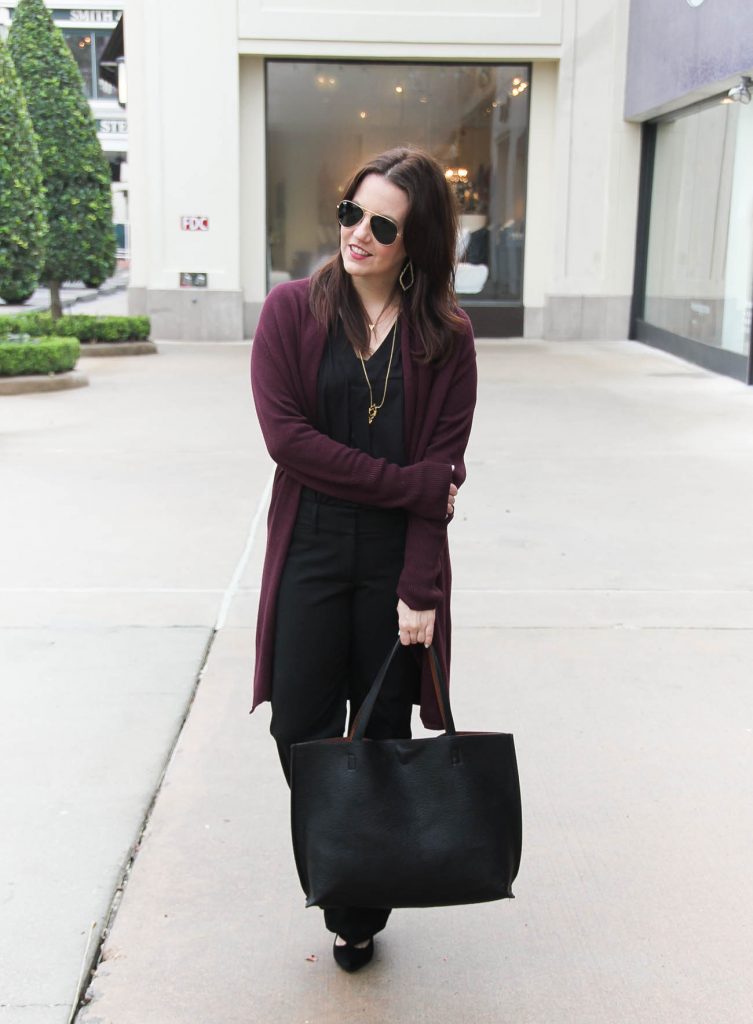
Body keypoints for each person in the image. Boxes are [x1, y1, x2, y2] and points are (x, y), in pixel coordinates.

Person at [250, 146, 477, 972]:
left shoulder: (446, 336)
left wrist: (420, 586)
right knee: (298, 728)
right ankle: (342, 872)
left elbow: (443, 466)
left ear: (416, 241)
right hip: (310, 545)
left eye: (383, 224)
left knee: (379, 732)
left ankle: (356, 907)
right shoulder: (290, 312)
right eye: (352, 214)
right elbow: (290, 444)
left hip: (391, 562)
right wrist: (412, 486)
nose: (359, 234)